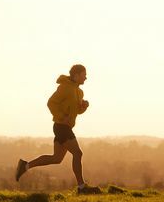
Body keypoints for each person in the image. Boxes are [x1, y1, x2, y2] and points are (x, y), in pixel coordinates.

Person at [15, 64, 101, 194]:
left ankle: (25, 166)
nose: (86, 78)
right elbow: (51, 102)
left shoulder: (79, 91)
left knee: (56, 158)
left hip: (65, 127)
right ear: (76, 75)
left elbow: (75, 111)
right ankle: (82, 187)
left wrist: (83, 107)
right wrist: (61, 116)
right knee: (78, 153)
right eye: (84, 75)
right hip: (61, 127)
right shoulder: (65, 87)